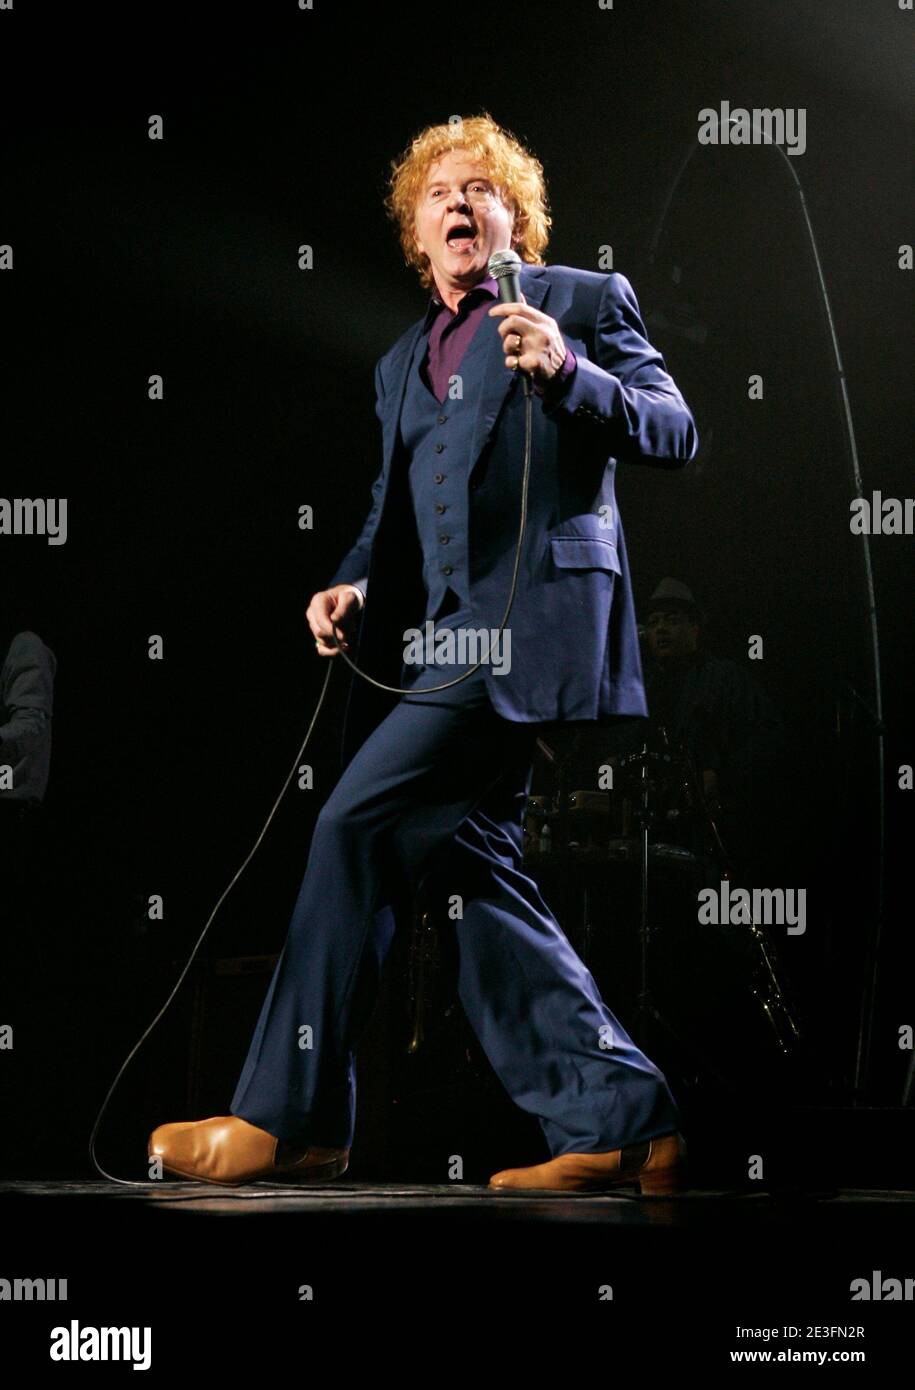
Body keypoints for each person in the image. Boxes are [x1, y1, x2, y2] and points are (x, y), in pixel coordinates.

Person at [149, 113, 698, 1192]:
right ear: (415, 231)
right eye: (437, 193)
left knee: (353, 821)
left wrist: (572, 369)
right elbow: (387, 511)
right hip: (447, 645)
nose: (458, 203)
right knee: (475, 881)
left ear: (514, 222)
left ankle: (291, 1114)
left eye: (479, 191)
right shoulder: (403, 361)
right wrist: (352, 577)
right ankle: (626, 1122)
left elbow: (676, 429)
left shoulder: (580, 301)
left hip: (534, 635)